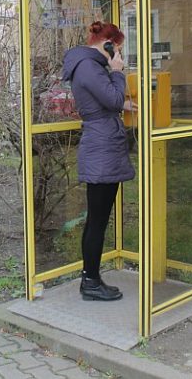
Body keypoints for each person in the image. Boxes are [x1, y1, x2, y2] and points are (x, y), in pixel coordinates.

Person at [61, 21, 136, 301]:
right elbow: (114, 97)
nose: (118, 55)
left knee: (98, 218)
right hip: (102, 147)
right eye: (117, 49)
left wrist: (122, 103)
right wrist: (118, 73)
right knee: (97, 219)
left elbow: (108, 100)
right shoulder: (90, 67)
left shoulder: (88, 65)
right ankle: (90, 282)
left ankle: (91, 279)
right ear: (108, 44)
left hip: (103, 144)